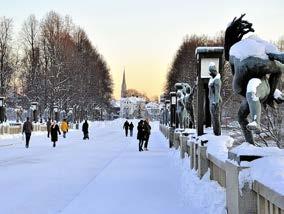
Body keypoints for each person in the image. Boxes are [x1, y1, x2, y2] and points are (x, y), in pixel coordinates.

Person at [208, 63, 222, 136]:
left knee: (216, 118)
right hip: (212, 101)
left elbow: (217, 92)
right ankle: (215, 132)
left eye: (210, 72)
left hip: (215, 101)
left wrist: (215, 102)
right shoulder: (212, 80)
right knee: (213, 118)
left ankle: (217, 133)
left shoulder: (217, 80)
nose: (209, 73)